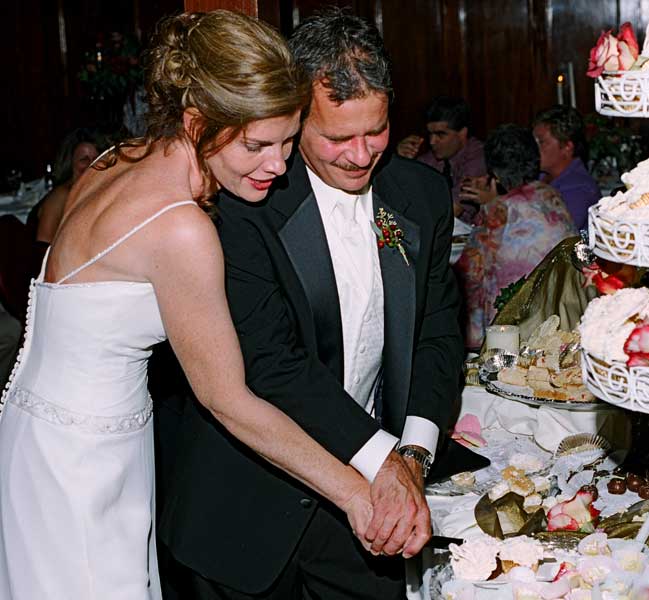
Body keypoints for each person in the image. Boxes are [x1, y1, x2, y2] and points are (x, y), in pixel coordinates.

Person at [0, 11, 379, 599]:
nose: (278, 167)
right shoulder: (182, 231)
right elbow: (228, 400)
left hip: (41, 432)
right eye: (257, 145)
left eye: (286, 142)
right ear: (197, 119)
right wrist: (355, 492)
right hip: (85, 463)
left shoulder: (114, 159)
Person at [158, 9, 462, 600]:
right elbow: (271, 362)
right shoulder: (244, 201)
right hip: (243, 507)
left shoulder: (421, 197)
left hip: (371, 504)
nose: (360, 154)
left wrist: (414, 456)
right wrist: (383, 462)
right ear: (296, 118)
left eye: (374, 132)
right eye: (336, 137)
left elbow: (436, 332)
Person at [455, 123, 576, 349]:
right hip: (558, 316)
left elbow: (469, 274)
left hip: (516, 326)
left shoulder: (498, 211)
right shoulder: (551, 195)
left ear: (496, 174)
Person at [396, 96, 487, 224]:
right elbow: (402, 200)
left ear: (462, 133)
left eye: (440, 134)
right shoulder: (432, 157)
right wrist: (400, 162)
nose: (432, 142)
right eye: (430, 134)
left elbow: (451, 211)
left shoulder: (477, 157)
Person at [533, 105, 601, 230]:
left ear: (567, 147)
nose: (533, 148)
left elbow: (554, 237)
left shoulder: (579, 189)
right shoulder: (540, 176)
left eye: (541, 142)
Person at [30, 128, 104, 243]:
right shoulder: (61, 196)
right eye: (84, 159)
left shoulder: (95, 191)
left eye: (96, 158)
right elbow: (43, 245)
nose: (91, 164)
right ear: (70, 163)